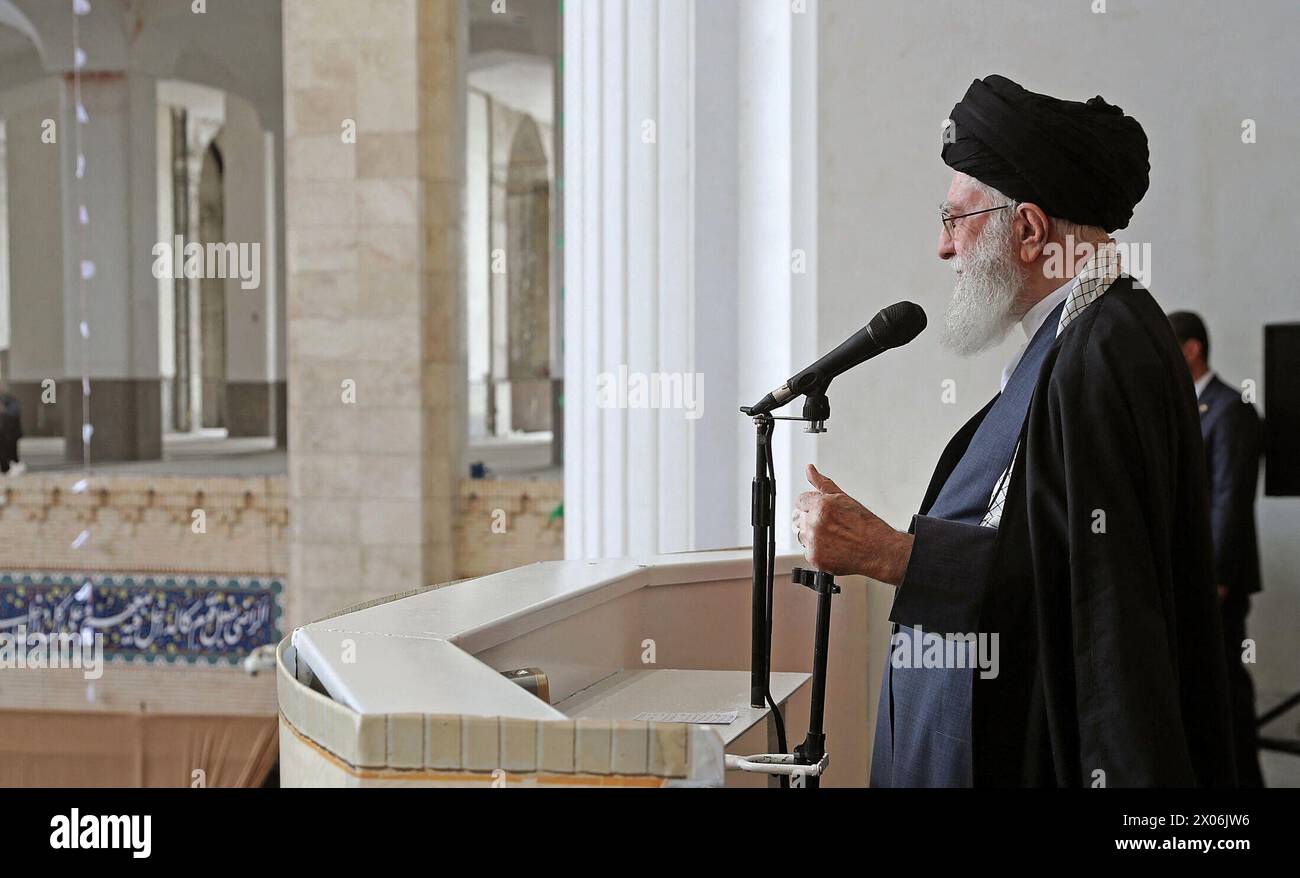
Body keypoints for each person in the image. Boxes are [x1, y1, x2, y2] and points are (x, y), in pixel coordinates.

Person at [792, 75, 1236, 786]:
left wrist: (894, 555)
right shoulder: (1076, 335)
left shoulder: (1104, 350)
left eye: (955, 217)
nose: (943, 247)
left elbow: (1093, 591)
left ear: (1029, 230)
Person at [1167, 311, 1265, 787]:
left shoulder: (1230, 409)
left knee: (1227, 694)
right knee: (1203, 696)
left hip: (1217, 583)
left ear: (1191, 349)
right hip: (1191, 582)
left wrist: (1218, 578)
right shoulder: (1186, 410)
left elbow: (1231, 499)